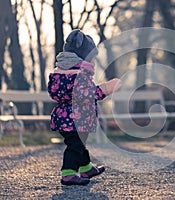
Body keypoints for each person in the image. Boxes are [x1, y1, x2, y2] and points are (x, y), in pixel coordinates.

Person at [48, 29, 121, 186]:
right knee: (75, 146)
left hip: (65, 119)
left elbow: (56, 93)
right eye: (92, 58)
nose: (94, 62)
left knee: (79, 144)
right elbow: (88, 95)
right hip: (75, 120)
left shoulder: (61, 74)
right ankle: (68, 173)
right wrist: (107, 88)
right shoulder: (80, 75)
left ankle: (86, 168)